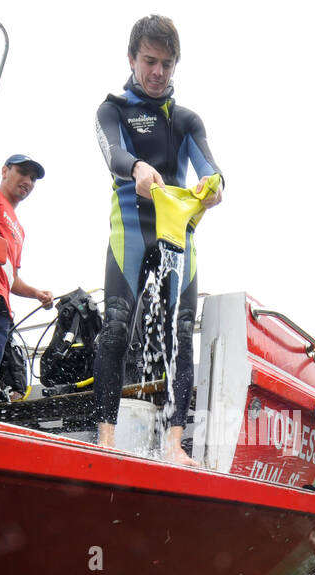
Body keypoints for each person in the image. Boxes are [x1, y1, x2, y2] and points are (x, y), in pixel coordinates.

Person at [92, 14, 224, 465]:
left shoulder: (186, 121)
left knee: (181, 334)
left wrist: (215, 185)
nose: (157, 72)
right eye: (149, 61)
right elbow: (113, 151)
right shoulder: (113, 109)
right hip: (130, 226)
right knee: (114, 325)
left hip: (176, 234)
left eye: (167, 64)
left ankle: (174, 444)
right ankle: (106, 437)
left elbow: (210, 167)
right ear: (132, 59)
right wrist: (136, 168)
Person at [0, 154, 53, 414]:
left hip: (3, 307)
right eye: (22, 172)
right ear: (4, 171)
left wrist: (35, 292)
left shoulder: (20, 230)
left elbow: (11, 277)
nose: (28, 181)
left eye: (33, 178)